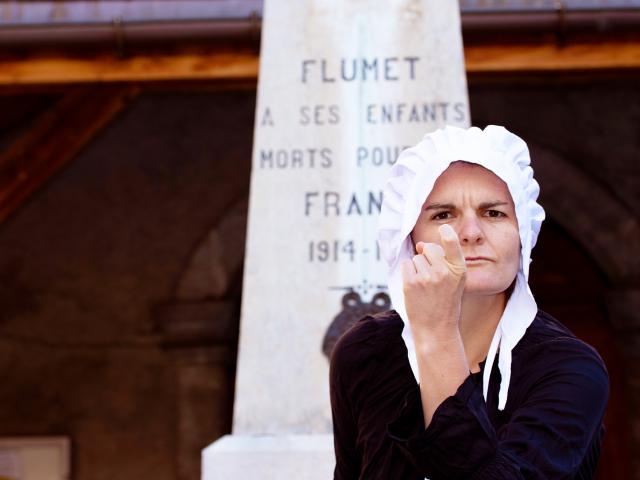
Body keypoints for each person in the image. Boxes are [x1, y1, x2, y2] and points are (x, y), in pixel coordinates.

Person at [329, 125, 609, 479]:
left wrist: (438, 333)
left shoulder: (569, 369)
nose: (471, 233)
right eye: (443, 215)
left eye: (494, 213)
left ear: (523, 234)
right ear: (408, 239)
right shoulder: (365, 353)